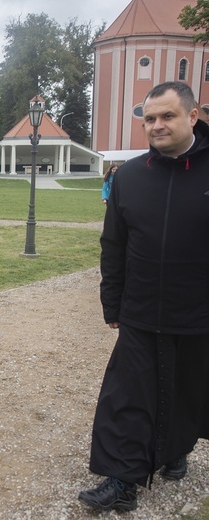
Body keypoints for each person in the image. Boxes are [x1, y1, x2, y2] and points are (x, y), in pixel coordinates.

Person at [78, 81, 209, 513]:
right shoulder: (129, 176)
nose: (156, 125)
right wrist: (111, 301)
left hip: (198, 313)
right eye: (149, 118)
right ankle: (122, 480)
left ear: (193, 117)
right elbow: (113, 244)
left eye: (167, 116)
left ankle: (176, 450)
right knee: (128, 395)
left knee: (187, 390)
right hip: (140, 311)